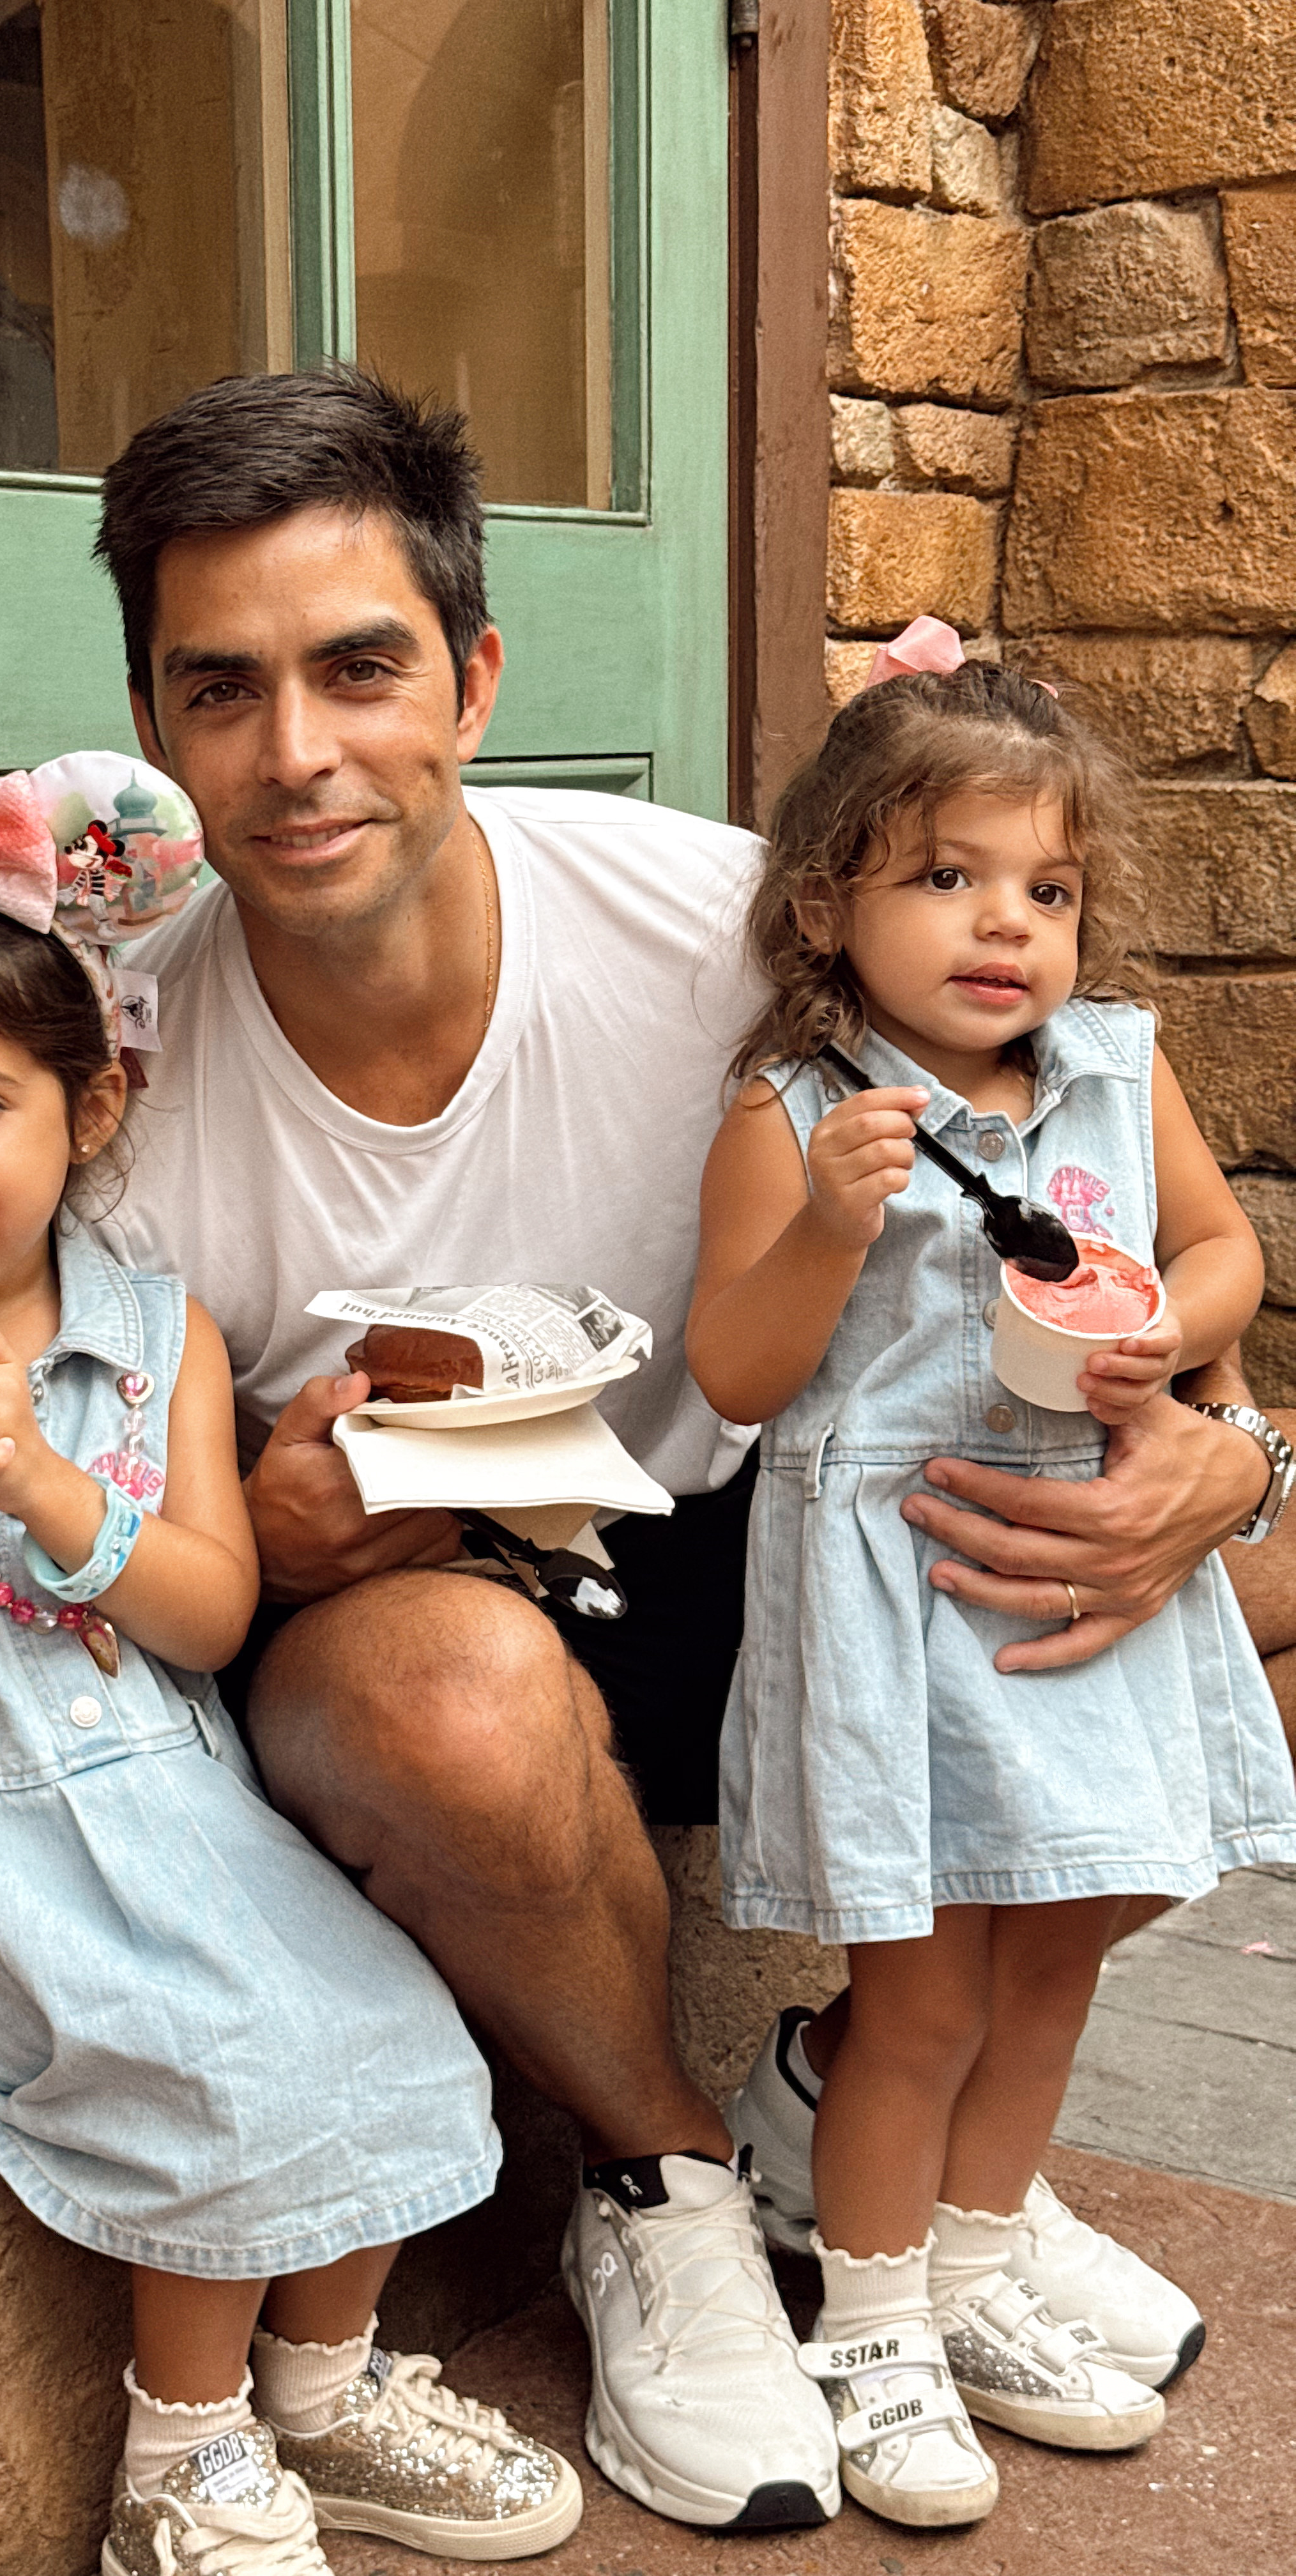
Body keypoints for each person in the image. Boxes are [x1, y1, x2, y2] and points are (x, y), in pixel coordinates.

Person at [87, 371, 1292, 2533]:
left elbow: (1083, 1167)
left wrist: (1226, 1452)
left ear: (472, 674)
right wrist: (272, 1532)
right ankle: (672, 2185)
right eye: (221, 688)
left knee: (1282, 1551)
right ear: (160, 726)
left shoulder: (724, 915)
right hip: (448, 1614)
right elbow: (125, 1556)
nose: (297, 755)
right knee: (441, 1686)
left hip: (813, 1539)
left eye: (359, 668)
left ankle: (891, 2131)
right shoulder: (122, 1090)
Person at [0, 750, 584, 2576]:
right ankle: (180, 2459)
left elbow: (208, 1615)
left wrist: (28, 1474)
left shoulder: (156, 1334)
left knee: (395, 2024)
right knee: (216, 2062)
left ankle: (318, 2400)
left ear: (91, 1110)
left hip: (170, 1810)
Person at [687, 641, 1296, 2527]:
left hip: (1087, 1585)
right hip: (901, 1585)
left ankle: (972, 2266)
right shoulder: (794, 1108)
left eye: (1047, 890)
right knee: (926, 1999)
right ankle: (867, 2331)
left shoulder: (1114, 1069)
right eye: (945, 877)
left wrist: (1160, 1332)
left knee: (1054, 1974)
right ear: (827, 899)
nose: (1002, 927)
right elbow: (735, 1373)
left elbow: (1223, 1253)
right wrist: (832, 1220)